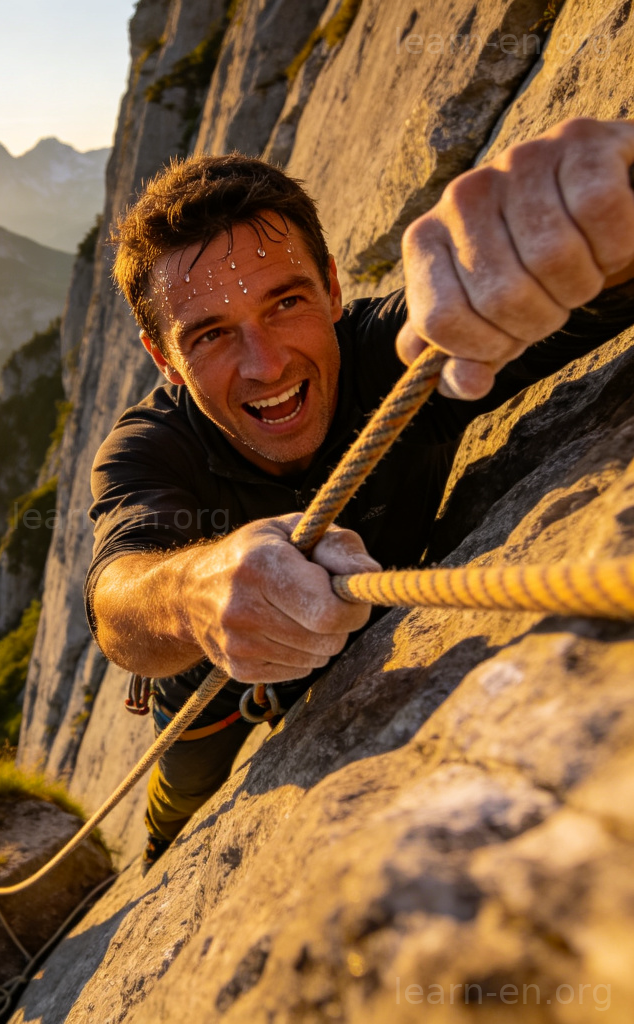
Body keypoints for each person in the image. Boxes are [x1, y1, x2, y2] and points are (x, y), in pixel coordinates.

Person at [86, 117, 634, 864]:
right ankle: (160, 839)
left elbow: (585, 297)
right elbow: (119, 599)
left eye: (286, 303)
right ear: (165, 361)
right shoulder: (150, 450)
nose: (267, 364)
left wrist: (598, 209)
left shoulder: (395, 363)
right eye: (210, 335)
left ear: (335, 287)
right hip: (211, 692)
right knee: (184, 787)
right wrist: (191, 593)